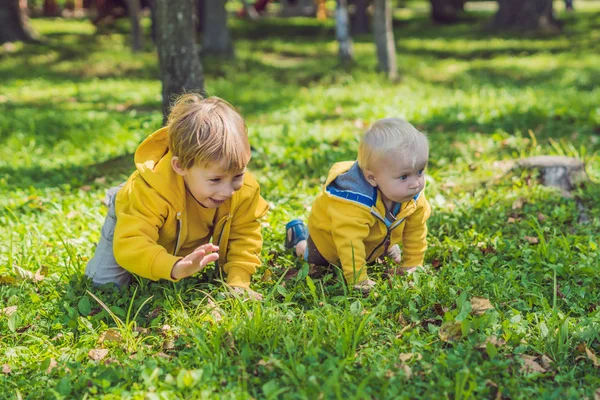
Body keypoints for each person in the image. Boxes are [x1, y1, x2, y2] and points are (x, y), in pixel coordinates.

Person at [85, 94, 268, 299]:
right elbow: (131, 243)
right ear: (180, 166)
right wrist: (172, 267)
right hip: (131, 211)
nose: (227, 190)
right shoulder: (150, 192)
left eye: (238, 176)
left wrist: (238, 281)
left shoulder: (244, 190)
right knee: (104, 287)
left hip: (182, 228)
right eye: (216, 180)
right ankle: (118, 197)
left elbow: (244, 236)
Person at [285, 118, 431, 292]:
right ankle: (298, 237)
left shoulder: (411, 195)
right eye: (404, 176)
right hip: (328, 240)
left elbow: (416, 230)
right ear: (372, 178)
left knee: (384, 237)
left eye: (420, 171)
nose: (415, 183)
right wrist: (358, 279)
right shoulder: (353, 203)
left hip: (374, 238)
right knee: (312, 257)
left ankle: (384, 247)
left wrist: (413, 265)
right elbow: (350, 243)